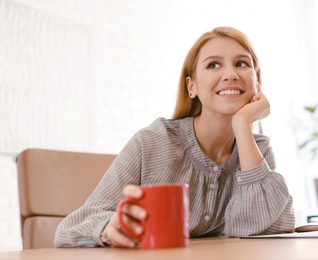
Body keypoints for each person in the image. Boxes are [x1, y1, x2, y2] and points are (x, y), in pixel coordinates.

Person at [54, 26, 295, 248]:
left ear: (257, 82)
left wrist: (243, 124)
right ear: (192, 87)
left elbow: (263, 228)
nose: (230, 74)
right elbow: (69, 229)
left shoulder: (257, 151)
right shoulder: (152, 143)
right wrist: (108, 228)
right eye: (213, 65)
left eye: (242, 63)